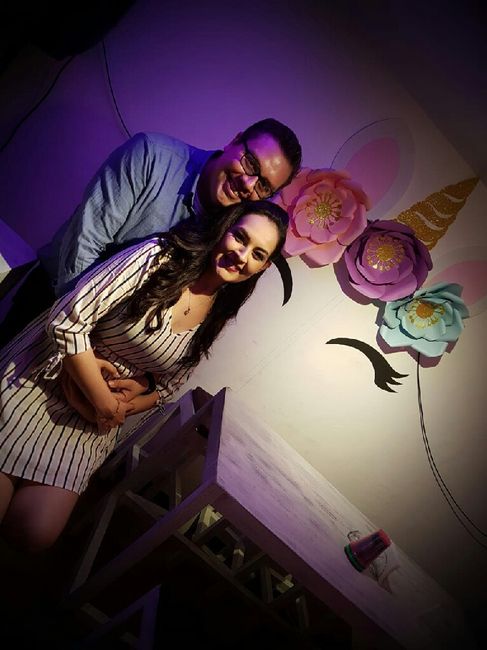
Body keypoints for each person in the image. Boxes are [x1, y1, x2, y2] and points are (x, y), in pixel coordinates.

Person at [0, 200, 289, 553]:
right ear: (224, 228)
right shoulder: (159, 256)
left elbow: (170, 384)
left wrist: (136, 395)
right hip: (41, 377)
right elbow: (66, 320)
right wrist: (103, 401)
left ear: (263, 266)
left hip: (87, 426)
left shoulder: (220, 309)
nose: (241, 256)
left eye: (258, 254)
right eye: (240, 237)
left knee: (34, 534)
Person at [0, 118, 301, 345]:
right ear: (234, 141)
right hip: (54, 299)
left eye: (263, 186)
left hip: (111, 344)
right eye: (250, 163)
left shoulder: (235, 227)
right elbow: (84, 243)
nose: (248, 184)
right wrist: (80, 342)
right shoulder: (151, 155)